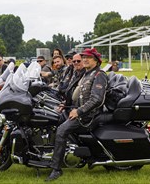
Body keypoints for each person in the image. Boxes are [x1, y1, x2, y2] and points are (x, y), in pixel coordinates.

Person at [46, 48, 108, 182]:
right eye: (84, 57)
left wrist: (78, 111)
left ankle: (56, 169)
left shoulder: (99, 75)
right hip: (81, 111)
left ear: (96, 61)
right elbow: (77, 94)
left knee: (61, 131)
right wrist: (66, 104)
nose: (85, 59)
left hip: (88, 116)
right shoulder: (86, 73)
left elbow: (96, 99)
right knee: (55, 120)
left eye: (88, 58)